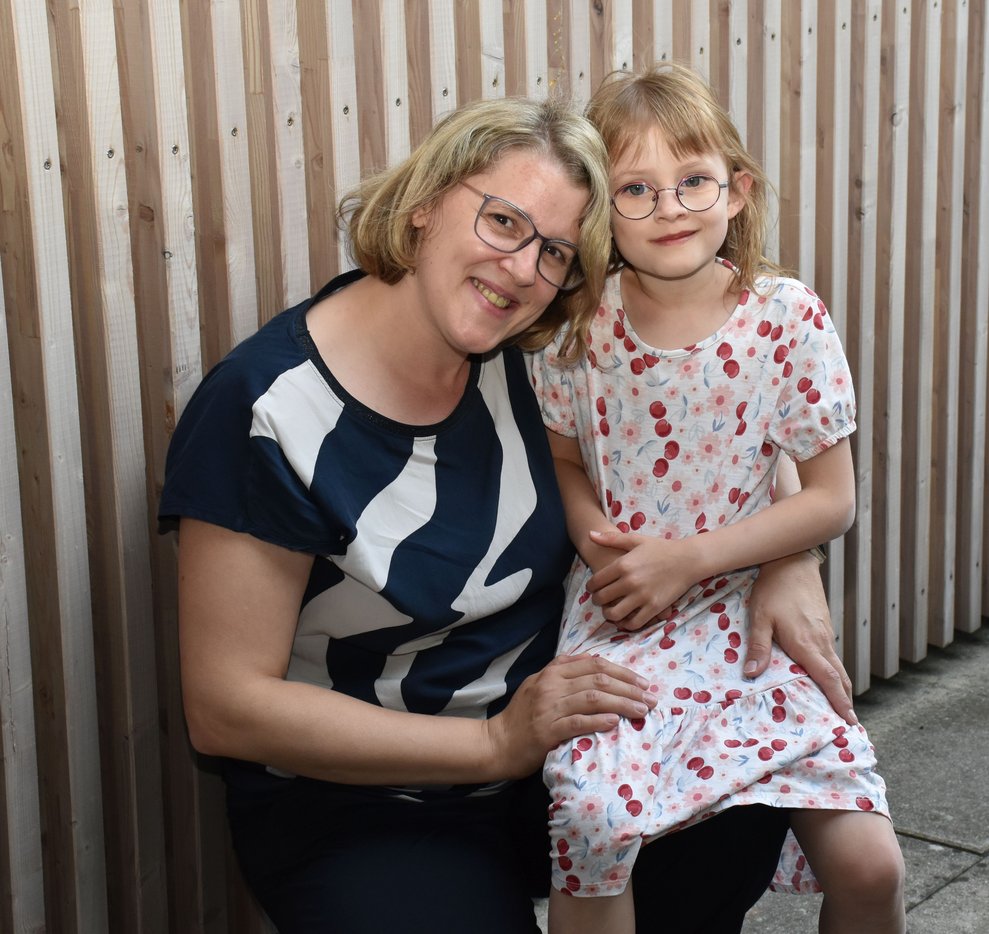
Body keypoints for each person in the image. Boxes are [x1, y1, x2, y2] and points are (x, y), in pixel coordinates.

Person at [160, 93, 858, 934]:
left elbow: (723, 434)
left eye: (556, 250)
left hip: (561, 746)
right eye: (502, 222)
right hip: (372, 801)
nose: (523, 269)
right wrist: (495, 744)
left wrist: (787, 562)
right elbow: (226, 705)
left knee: (735, 809)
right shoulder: (267, 412)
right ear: (423, 204)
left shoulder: (532, 350)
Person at [529, 63, 906, 934]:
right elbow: (562, 456)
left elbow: (829, 499)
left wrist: (693, 559)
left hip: (744, 615)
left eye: (691, 180)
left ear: (735, 191)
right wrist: (604, 550)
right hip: (623, 615)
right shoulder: (579, 330)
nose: (670, 208)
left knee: (872, 865)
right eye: (636, 189)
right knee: (592, 818)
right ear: (597, 212)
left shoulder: (785, 318)